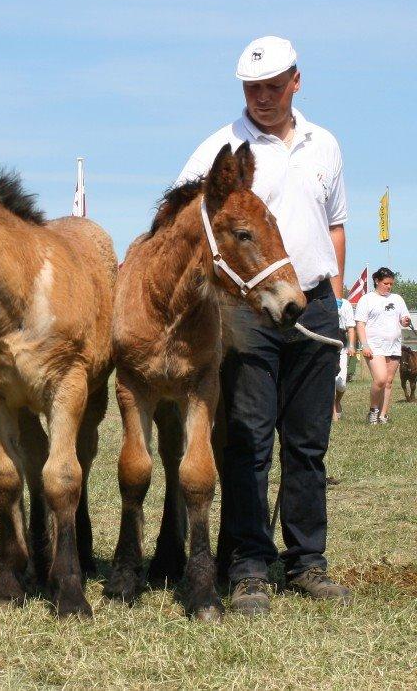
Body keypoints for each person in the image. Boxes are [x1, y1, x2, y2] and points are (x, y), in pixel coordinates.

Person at [176, 36, 350, 616]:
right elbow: (180, 219)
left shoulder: (325, 145)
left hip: (316, 304)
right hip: (248, 314)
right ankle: (248, 566)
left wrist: (338, 302)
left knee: (307, 444)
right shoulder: (219, 150)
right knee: (247, 439)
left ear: (296, 81)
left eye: (274, 87)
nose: (263, 98)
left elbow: (337, 226)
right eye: (253, 89)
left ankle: (307, 563)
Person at [355, 267, 412, 424]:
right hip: (374, 346)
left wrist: (405, 321)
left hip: (393, 346)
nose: (389, 286)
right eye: (386, 283)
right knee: (380, 379)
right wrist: (365, 345)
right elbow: (360, 324)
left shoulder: (397, 299)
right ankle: (373, 411)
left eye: (391, 284)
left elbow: (403, 319)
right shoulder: (366, 299)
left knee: (388, 382)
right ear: (377, 281)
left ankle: (383, 415)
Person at [333, 297, 356, 422]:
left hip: (341, 346)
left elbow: (351, 327)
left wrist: (351, 345)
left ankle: (337, 402)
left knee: (341, 384)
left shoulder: (345, 304)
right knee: (328, 381)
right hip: (324, 345)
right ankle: (332, 412)